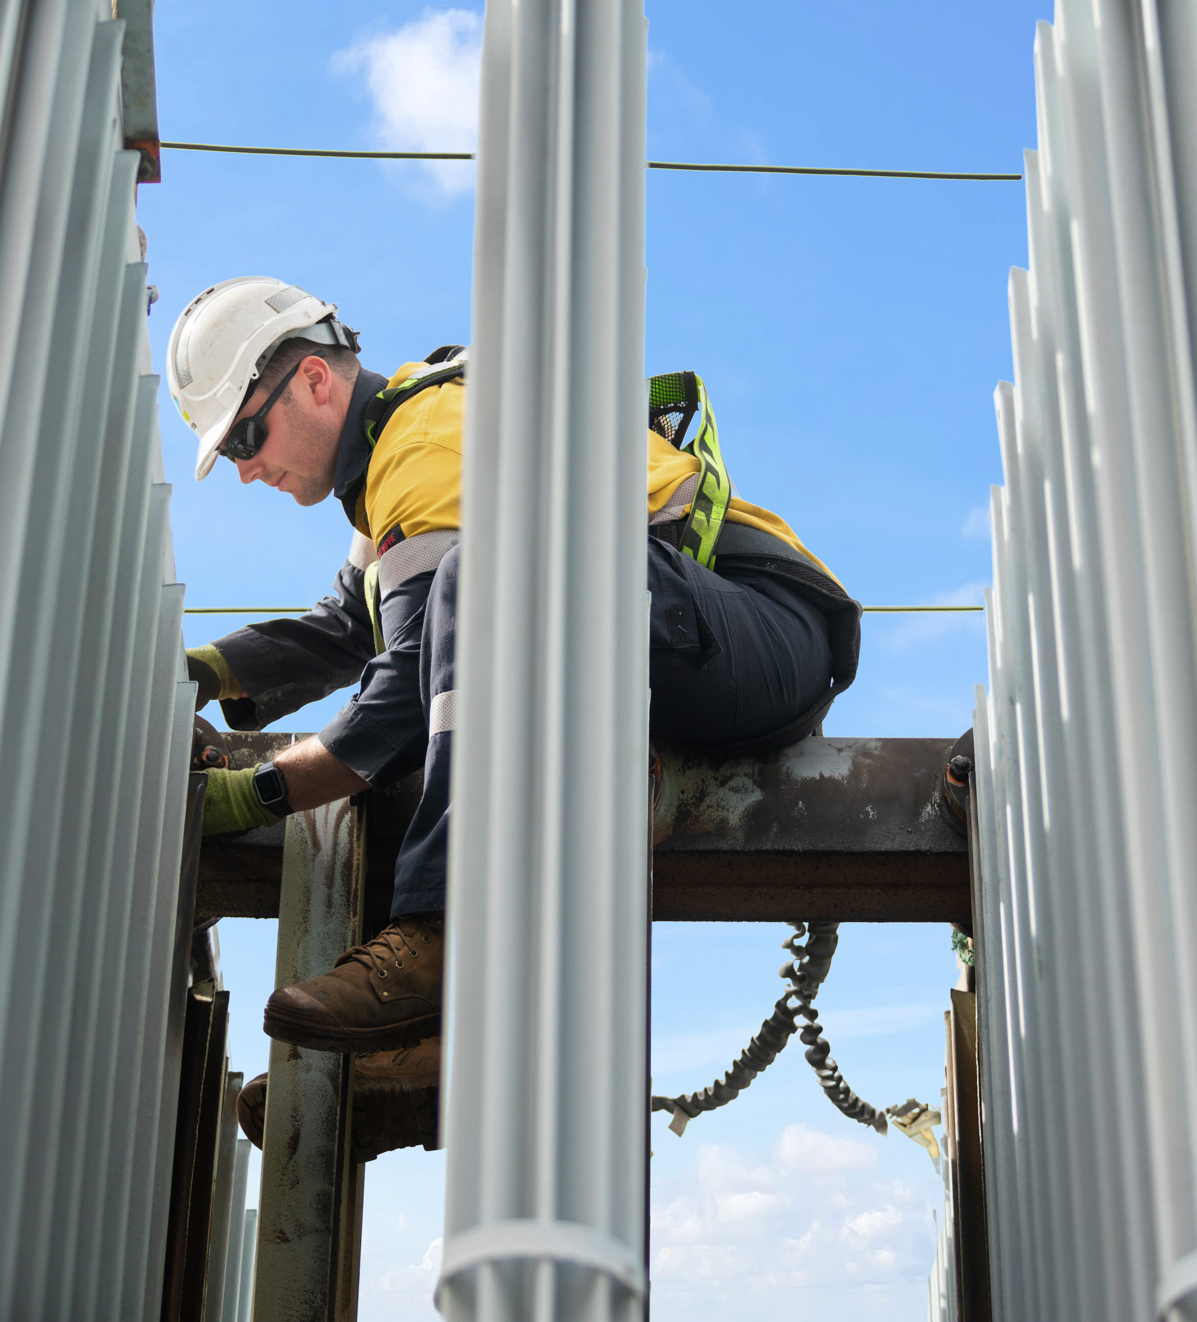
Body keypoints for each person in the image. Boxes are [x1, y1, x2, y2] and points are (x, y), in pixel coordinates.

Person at [170, 276, 860, 1085]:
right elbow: (348, 627)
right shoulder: (392, 461)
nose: (248, 472)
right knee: (456, 708)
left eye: (247, 439)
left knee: (473, 594)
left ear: (314, 381)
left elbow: (402, 685)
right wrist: (194, 674)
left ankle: (438, 933)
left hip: (765, 625)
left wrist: (263, 792)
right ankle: (423, 1067)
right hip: (672, 631)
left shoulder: (422, 445)